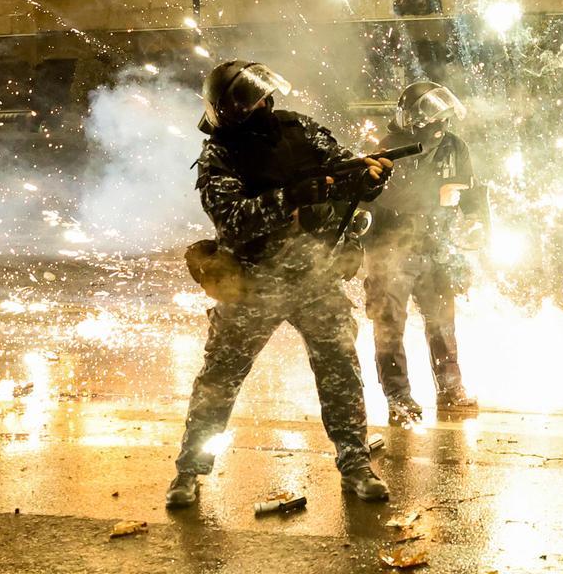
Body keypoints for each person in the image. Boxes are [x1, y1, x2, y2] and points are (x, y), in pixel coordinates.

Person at [166, 60, 394, 508]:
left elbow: (346, 174)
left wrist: (370, 179)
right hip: (251, 282)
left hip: (314, 276)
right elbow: (232, 222)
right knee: (220, 379)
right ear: (229, 110)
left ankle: (355, 463)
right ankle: (189, 471)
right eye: (252, 102)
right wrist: (290, 198)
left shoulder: (300, 130)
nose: (264, 107)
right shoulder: (219, 156)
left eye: (264, 98)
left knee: (340, 371)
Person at [363, 81, 484, 425]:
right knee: (389, 326)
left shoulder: (455, 147)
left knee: (443, 323)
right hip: (390, 248)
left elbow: (473, 193)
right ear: (413, 121)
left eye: (445, 120)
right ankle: (399, 398)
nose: (441, 127)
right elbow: (366, 198)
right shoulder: (383, 149)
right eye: (434, 120)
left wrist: (475, 223)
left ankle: (451, 390)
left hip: (437, 247)